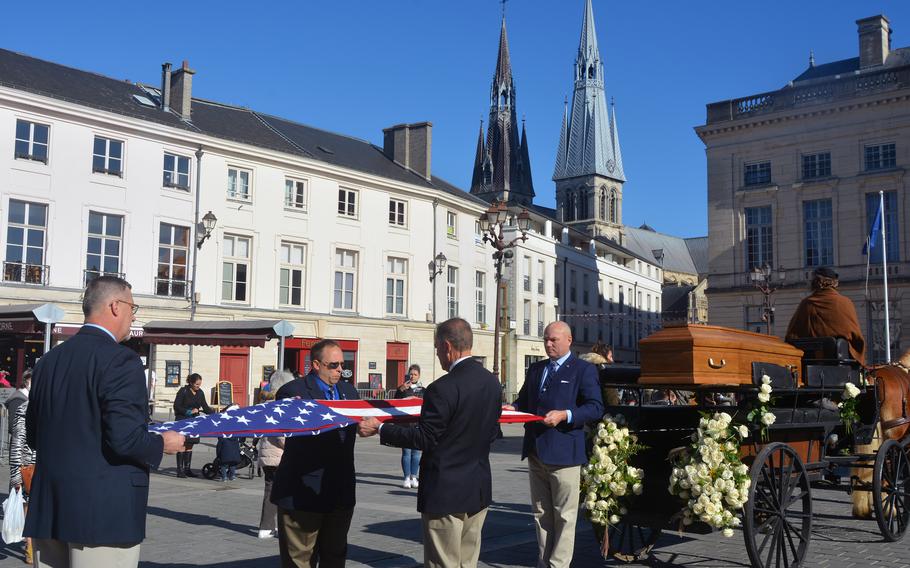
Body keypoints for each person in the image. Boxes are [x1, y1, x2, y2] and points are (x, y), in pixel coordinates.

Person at [24, 275, 184, 568]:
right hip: (102, 513)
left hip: (50, 508)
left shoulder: (48, 361)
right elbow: (125, 439)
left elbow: (33, 435)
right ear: (115, 306)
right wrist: (164, 443)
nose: (133, 316)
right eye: (133, 308)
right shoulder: (121, 360)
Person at [359, 318, 502, 568]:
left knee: (442, 562)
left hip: (445, 491)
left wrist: (380, 428)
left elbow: (425, 437)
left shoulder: (442, 388)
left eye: (437, 349)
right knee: (468, 562)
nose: (437, 355)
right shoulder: (491, 382)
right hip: (477, 488)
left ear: (447, 346)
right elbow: (493, 433)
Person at [505, 321, 604, 568]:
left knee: (565, 515)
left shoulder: (582, 370)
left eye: (554, 340)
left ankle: (558, 564)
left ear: (568, 340)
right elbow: (525, 399)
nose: (548, 344)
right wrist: (514, 408)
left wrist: (565, 415)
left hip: (564, 454)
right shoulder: (537, 369)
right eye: (546, 339)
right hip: (536, 450)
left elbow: (595, 407)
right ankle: (543, 561)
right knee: (541, 514)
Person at [270, 339, 360, 568]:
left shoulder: (349, 392)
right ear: (316, 365)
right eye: (334, 365)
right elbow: (283, 425)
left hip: (340, 492)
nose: (340, 369)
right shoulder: (294, 391)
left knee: (335, 557)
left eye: (343, 364)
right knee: (300, 560)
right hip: (302, 493)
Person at [786, 267, 866, 365]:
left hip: (814, 364)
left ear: (817, 282)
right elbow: (857, 338)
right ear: (835, 283)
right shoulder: (846, 303)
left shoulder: (808, 304)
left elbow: (792, 337)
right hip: (845, 363)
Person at [257, 370, 294, 539]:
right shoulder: (281, 406)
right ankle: (283, 527)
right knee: (285, 493)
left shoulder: (267, 404)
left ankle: (266, 527)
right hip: (279, 456)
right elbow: (282, 436)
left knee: (269, 491)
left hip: (267, 455)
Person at [8, 369, 35, 564]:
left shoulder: (51, 406)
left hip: (49, 467)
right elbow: (16, 443)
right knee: (29, 507)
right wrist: (16, 477)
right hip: (29, 467)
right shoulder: (23, 408)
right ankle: (30, 547)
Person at [173, 373, 215, 477]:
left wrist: (215, 415)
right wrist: (188, 411)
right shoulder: (183, 391)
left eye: (199, 384)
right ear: (191, 383)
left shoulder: (200, 393)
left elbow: (205, 407)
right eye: (196, 384)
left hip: (194, 422)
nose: (198, 386)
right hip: (183, 420)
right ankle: (180, 470)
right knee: (182, 444)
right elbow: (176, 406)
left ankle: (187, 469)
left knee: (190, 444)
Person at [394, 364, 425, 489]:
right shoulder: (403, 389)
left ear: (419, 375)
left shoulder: (423, 390)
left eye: (415, 374)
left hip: (418, 424)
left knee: (416, 453)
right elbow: (394, 402)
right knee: (406, 452)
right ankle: (406, 477)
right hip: (405, 425)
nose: (412, 376)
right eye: (411, 374)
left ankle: (414, 476)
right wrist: (400, 390)